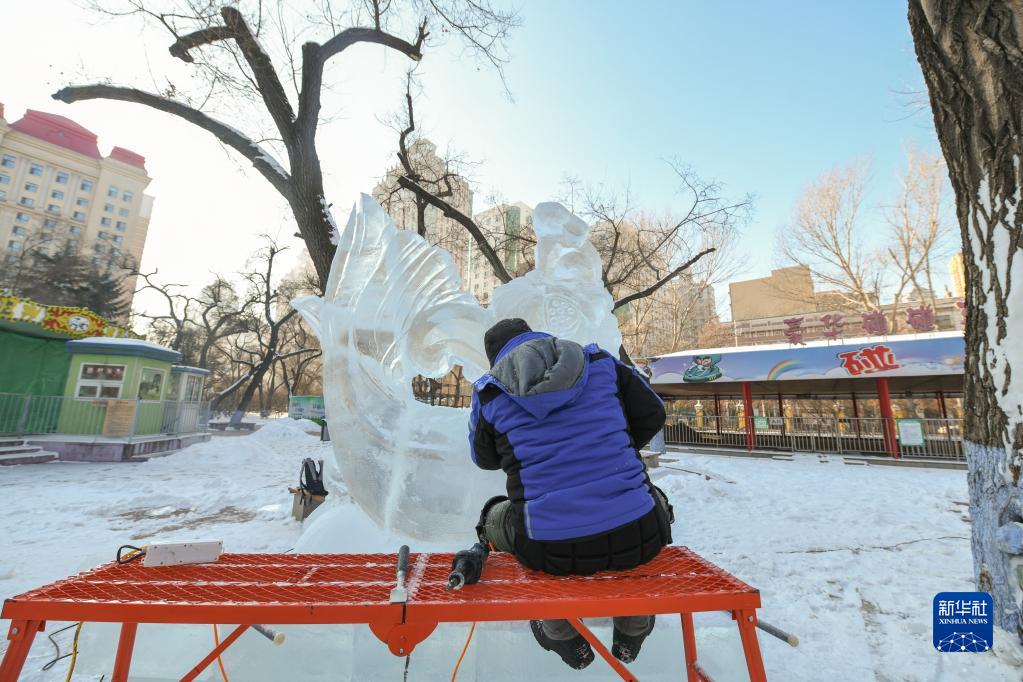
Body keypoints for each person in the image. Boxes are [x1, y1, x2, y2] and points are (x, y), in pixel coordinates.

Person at [468, 318, 674, 670]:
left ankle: (558, 631)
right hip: (641, 532)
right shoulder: (598, 361)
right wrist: (613, 451)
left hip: (548, 548)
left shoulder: (489, 392)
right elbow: (653, 413)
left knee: (494, 517)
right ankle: (633, 624)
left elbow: (484, 459)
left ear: (495, 357)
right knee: (651, 500)